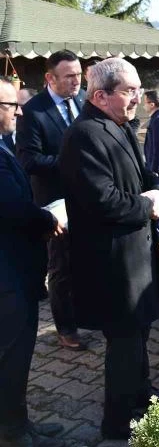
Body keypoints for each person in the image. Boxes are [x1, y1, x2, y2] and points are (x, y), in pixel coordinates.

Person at [59, 58, 159, 440]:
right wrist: (149, 204)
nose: (138, 97)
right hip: (112, 261)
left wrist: (157, 187)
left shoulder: (118, 125)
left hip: (135, 255)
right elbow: (103, 200)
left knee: (139, 333)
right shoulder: (85, 135)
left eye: (138, 89)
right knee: (123, 340)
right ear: (100, 95)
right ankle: (118, 422)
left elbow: (144, 173)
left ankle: (140, 395)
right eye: (128, 90)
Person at [0, 79, 67, 447]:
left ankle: (20, 421)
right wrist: (46, 219)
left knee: (17, 353)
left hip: (16, 268)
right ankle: (13, 431)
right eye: (12, 105)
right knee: (11, 354)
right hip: (8, 273)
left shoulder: (3, 145)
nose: (20, 111)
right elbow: (9, 206)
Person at [16, 49, 86, 351]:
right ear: (50, 78)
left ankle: (86, 313)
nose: (76, 82)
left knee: (85, 261)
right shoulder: (33, 111)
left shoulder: (84, 101)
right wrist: (68, 162)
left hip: (87, 198)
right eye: (69, 76)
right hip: (56, 203)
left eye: (79, 75)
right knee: (61, 267)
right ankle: (66, 328)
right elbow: (28, 159)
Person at [143, 90, 159, 241]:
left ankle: (158, 231)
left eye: (145, 102)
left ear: (152, 104)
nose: (143, 105)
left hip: (158, 167)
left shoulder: (158, 119)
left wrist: (154, 169)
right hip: (156, 165)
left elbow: (157, 147)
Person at [1, 87, 34, 154]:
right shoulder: (3, 132)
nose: (18, 111)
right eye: (13, 105)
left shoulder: (39, 137)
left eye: (21, 106)